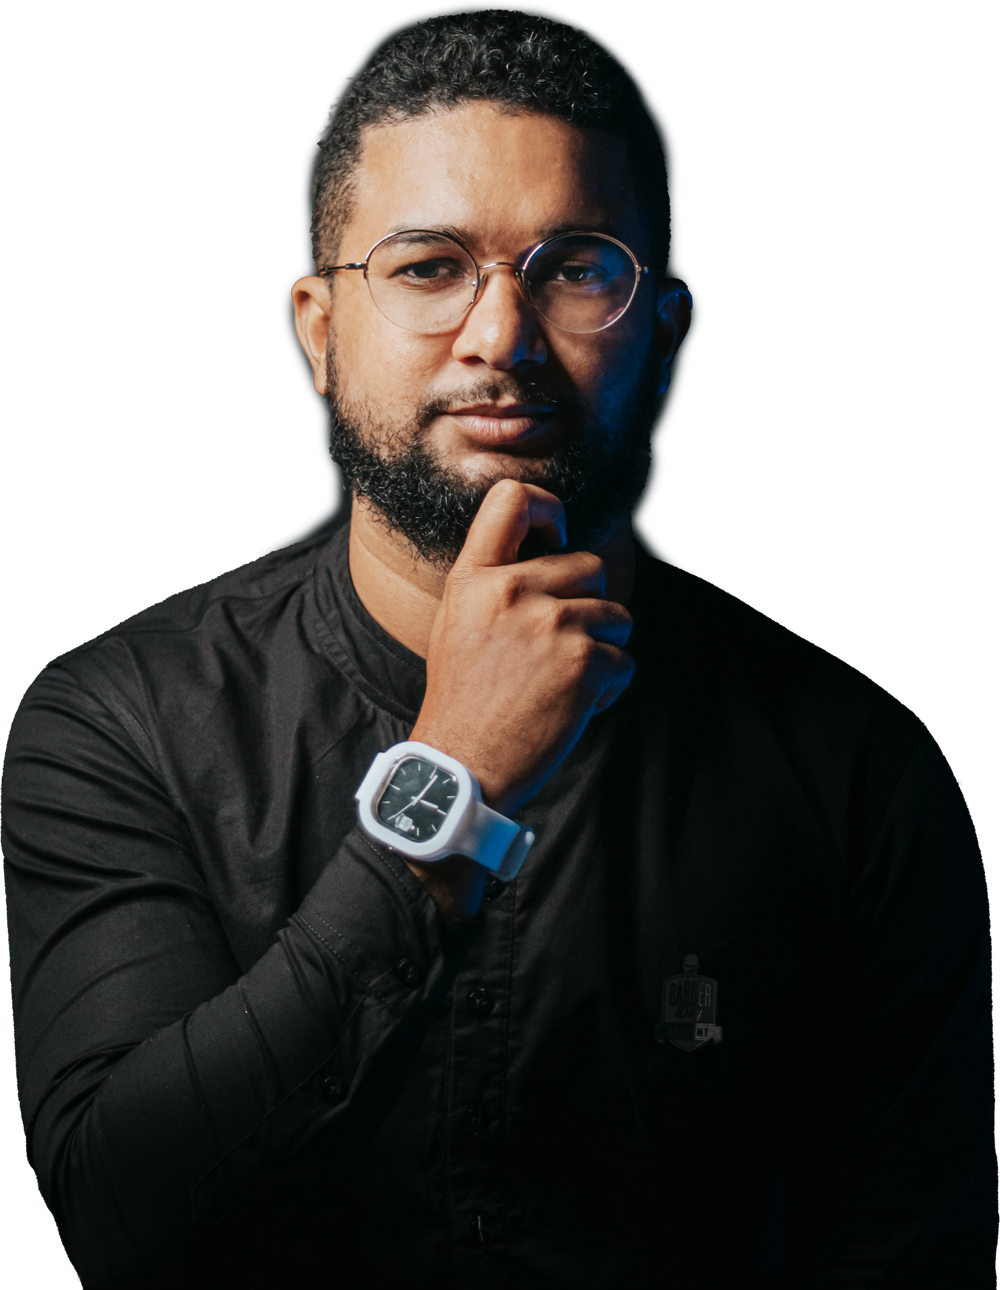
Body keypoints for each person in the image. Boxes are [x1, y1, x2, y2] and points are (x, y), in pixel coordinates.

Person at [2, 7, 994, 1289]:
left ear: (669, 330)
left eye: (575, 266)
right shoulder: (122, 721)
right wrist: (448, 785)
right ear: (316, 326)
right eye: (426, 266)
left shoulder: (855, 771)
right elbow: (113, 1213)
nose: (501, 339)